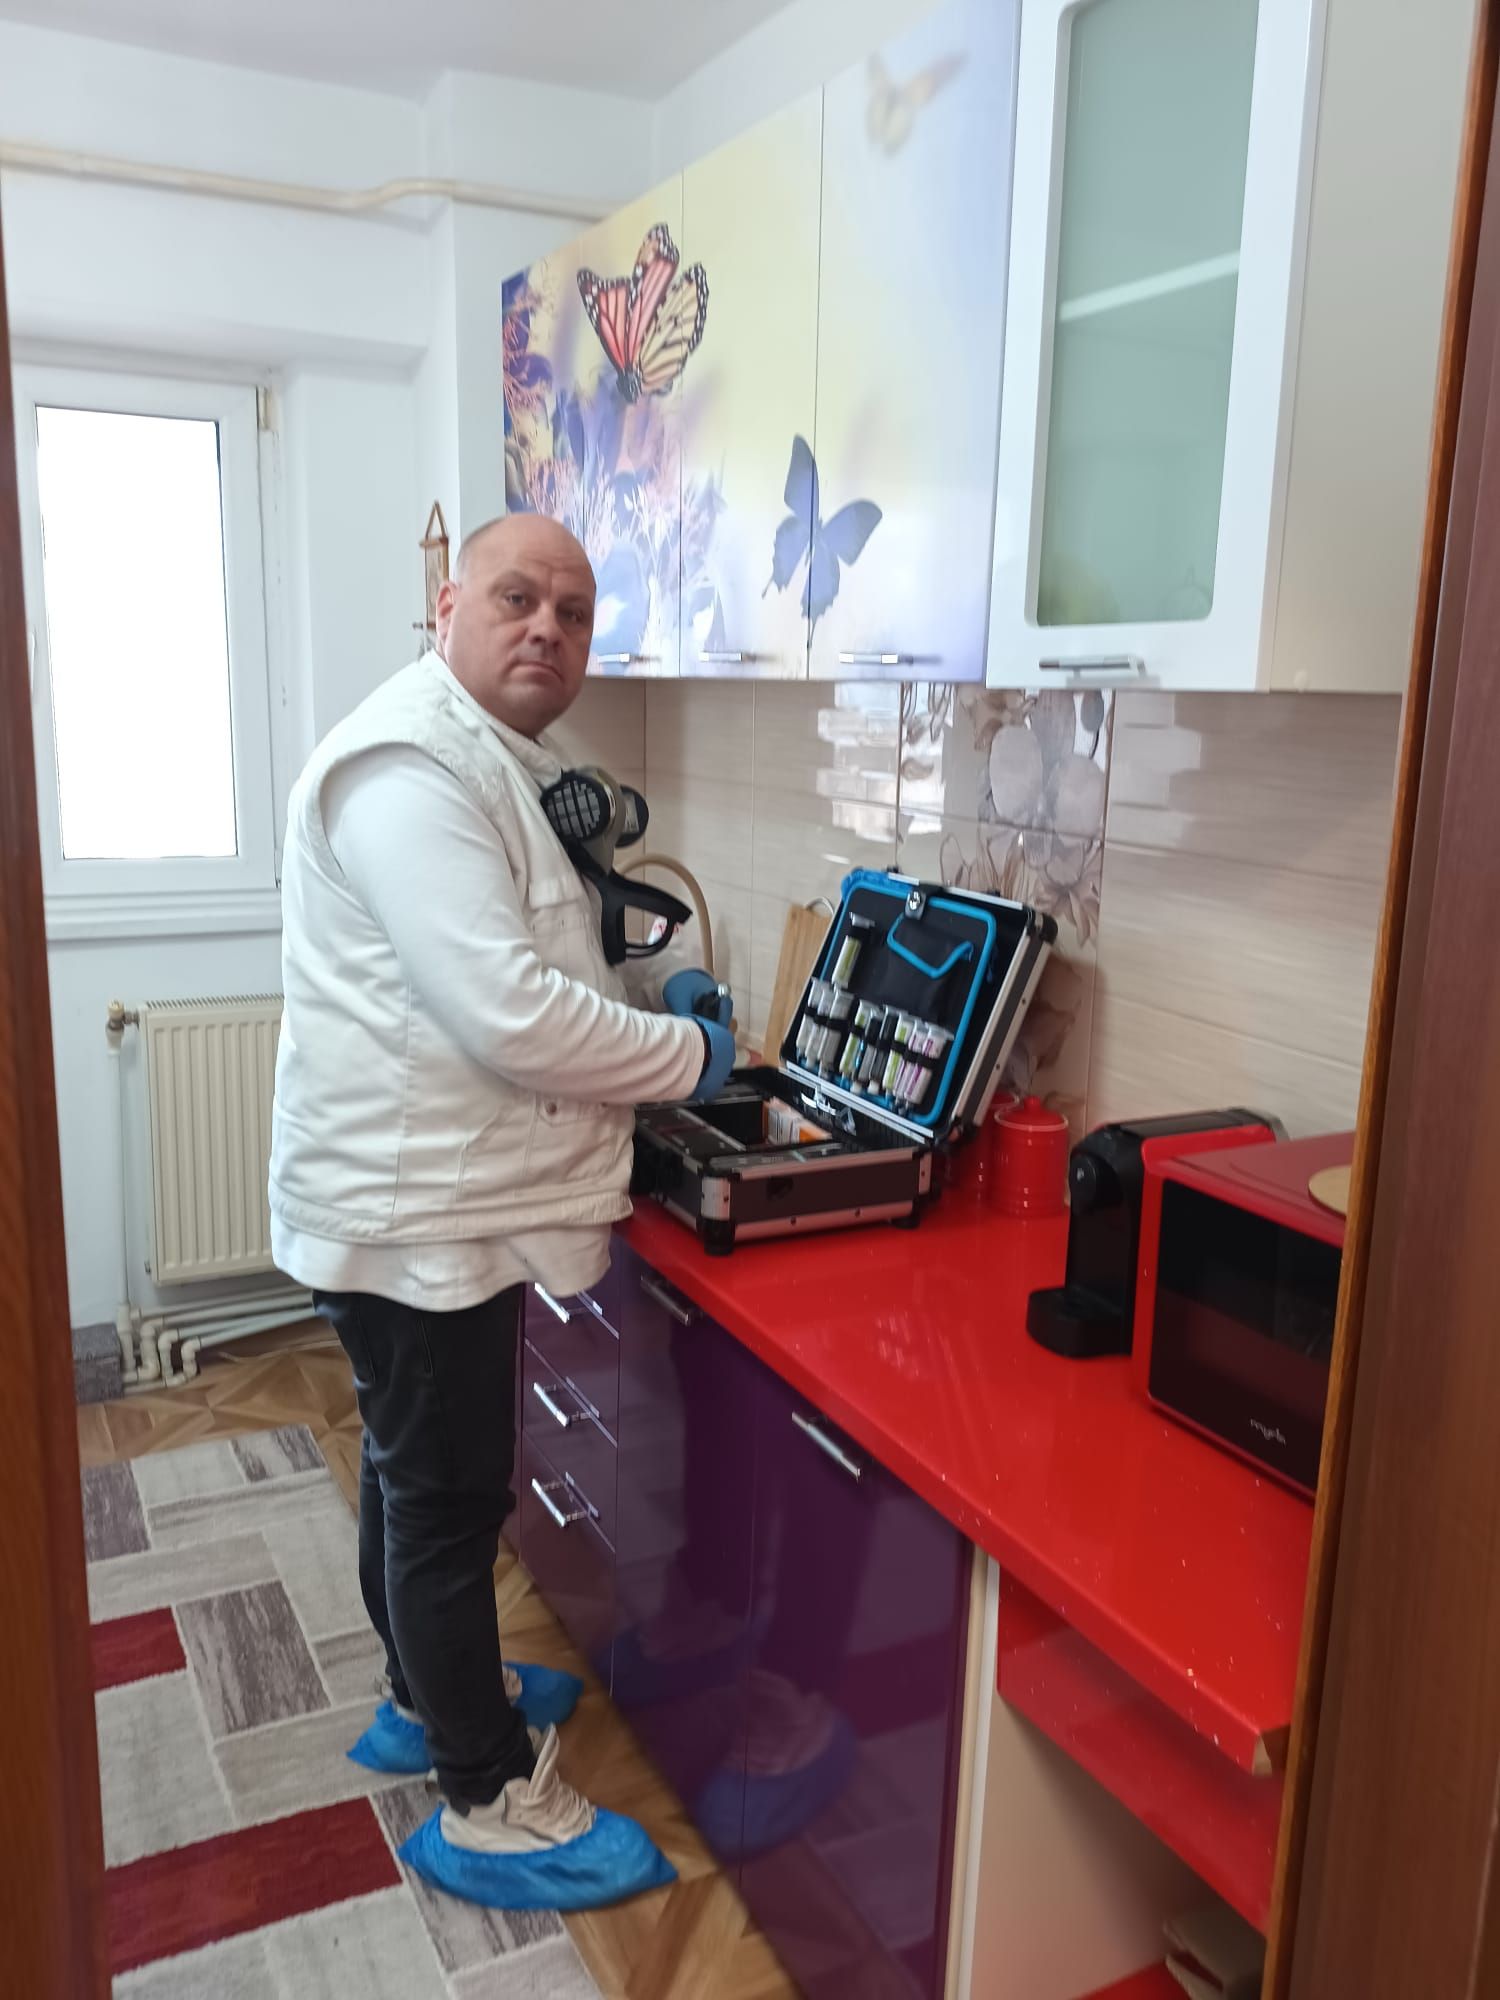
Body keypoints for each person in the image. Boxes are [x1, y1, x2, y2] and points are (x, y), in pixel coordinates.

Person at [268, 512, 736, 1911]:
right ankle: (483, 1798)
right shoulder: (410, 769)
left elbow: (531, 953)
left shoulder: (489, 758)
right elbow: (508, 1013)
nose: (548, 629)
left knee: (414, 1478)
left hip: (428, 1198)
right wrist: (690, 1056)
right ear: (448, 605)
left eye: (575, 613)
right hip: (416, 1214)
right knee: (446, 1499)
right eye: (518, 597)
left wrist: (645, 995)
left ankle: (423, 1696)